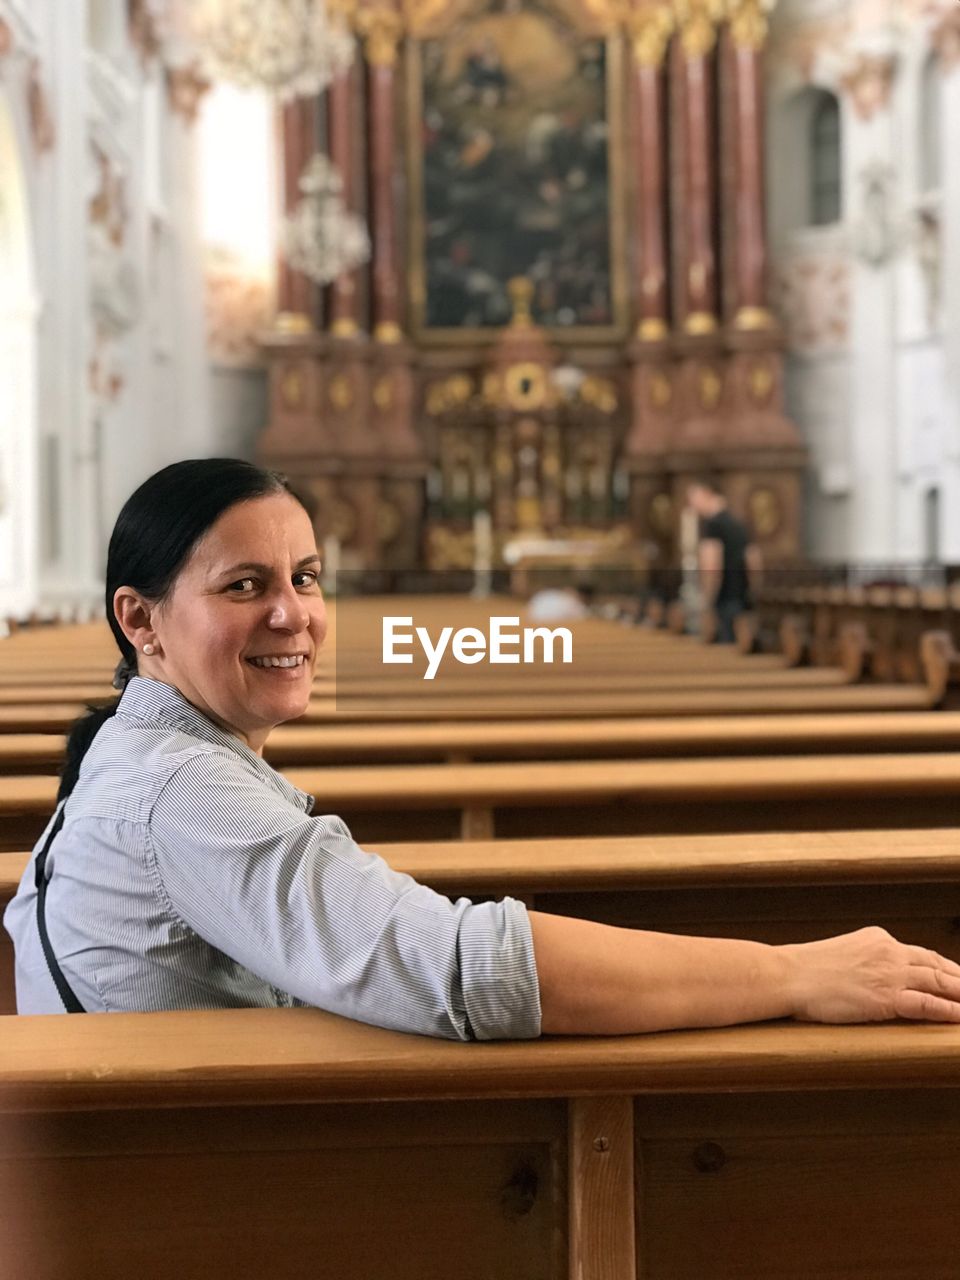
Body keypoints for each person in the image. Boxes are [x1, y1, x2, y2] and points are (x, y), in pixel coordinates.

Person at [6, 457, 960, 1035]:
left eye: (305, 576)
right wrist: (795, 974)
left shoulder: (143, 757)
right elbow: (464, 971)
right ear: (141, 619)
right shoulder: (181, 791)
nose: (293, 614)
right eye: (244, 586)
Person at [686, 478, 762, 643]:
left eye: (693, 498)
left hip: (723, 599)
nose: (692, 505)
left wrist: (707, 600)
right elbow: (754, 561)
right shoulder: (739, 524)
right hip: (741, 596)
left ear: (707, 494)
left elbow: (712, 564)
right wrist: (753, 590)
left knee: (722, 649)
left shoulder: (713, 525)